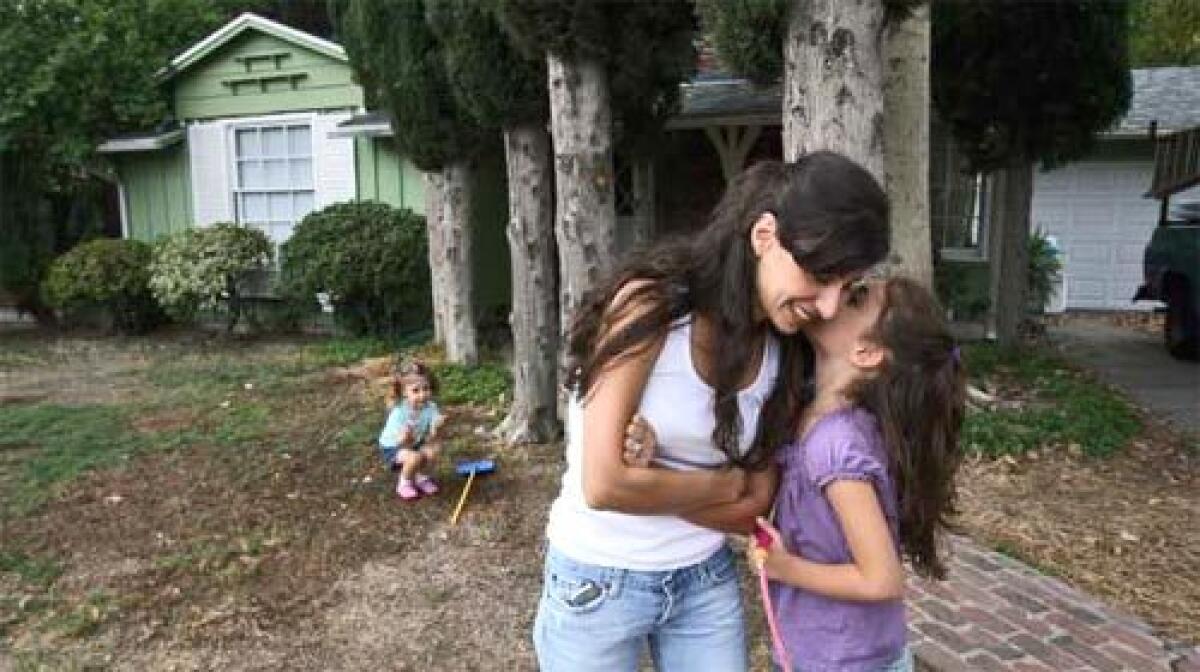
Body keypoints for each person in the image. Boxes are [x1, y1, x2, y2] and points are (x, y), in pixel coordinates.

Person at [533, 153, 891, 672]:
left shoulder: (785, 348)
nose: (830, 307)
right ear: (764, 236)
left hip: (704, 579)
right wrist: (721, 486)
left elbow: (756, 507)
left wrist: (652, 478)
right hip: (597, 582)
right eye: (821, 275)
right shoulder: (651, 306)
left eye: (847, 287)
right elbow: (604, 486)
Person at [750, 277, 966, 672]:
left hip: (847, 660)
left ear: (866, 351)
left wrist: (784, 568)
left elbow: (881, 579)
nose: (832, 298)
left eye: (855, 299)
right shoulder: (820, 418)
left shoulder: (836, 444)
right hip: (833, 652)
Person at [378, 360, 445, 501]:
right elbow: (402, 443)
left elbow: (433, 437)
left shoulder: (431, 407)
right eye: (416, 390)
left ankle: (419, 476)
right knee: (415, 457)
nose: (422, 395)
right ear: (404, 393)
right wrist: (407, 437)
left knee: (433, 450)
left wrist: (437, 428)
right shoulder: (399, 413)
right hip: (393, 446)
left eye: (426, 388)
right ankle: (404, 483)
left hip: (415, 442)